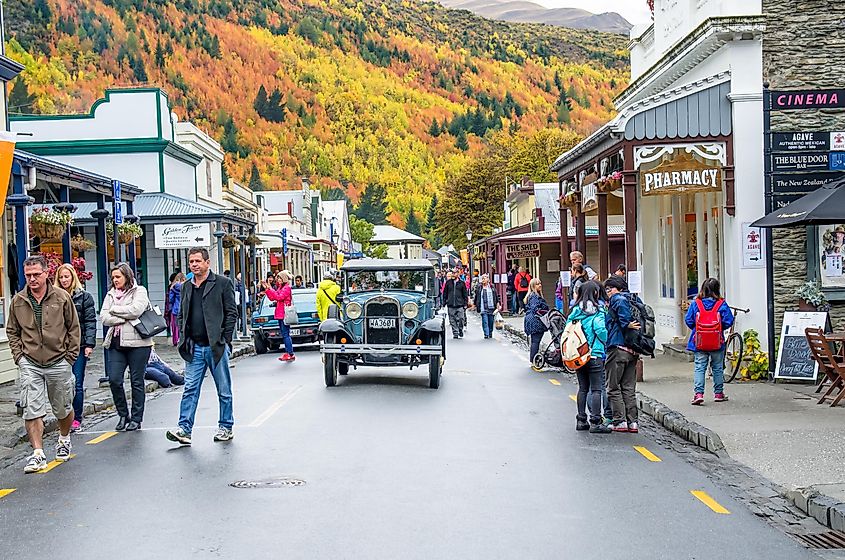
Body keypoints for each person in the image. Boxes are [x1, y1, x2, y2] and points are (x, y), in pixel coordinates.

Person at [8, 256, 80, 473]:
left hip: (58, 360)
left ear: (47, 273)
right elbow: (12, 331)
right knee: (32, 409)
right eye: (28, 275)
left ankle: (64, 438)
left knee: (63, 408)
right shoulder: (18, 301)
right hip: (30, 361)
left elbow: (74, 328)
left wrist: (70, 357)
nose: (32, 279)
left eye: (36, 274)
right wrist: (19, 358)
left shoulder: (61, 298)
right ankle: (38, 453)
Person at [166, 247, 238, 446]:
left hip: (215, 346)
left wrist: (225, 339)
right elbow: (182, 314)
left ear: (207, 263)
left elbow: (231, 313)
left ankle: (226, 426)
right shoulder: (187, 286)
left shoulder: (222, 283)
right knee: (190, 388)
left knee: (223, 389)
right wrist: (182, 336)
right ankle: (184, 429)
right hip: (194, 347)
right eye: (191, 262)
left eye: (198, 261)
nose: (194, 265)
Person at [101, 263, 154, 432]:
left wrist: (115, 310)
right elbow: (104, 316)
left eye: (118, 277)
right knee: (115, 379)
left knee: (136, 381)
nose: (115, 280)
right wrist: (121, 318)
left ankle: (136, 418)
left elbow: (136, 310)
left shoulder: (140, 291)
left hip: (138, 343)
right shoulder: (110, 294)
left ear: (127, 276)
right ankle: (123, 414)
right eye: (113, 277)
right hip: (116, 343)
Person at [54, 264, 96, 432]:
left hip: (78, 346)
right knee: (60, 385)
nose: (64, 280)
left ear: (73, 278)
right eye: (61, 277)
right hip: (59, 348)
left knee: (77, 383)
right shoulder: (54, 297)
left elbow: (90, 321)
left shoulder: (84, 297)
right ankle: (64, 418)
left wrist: (89, 344)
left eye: (67, 277)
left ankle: (76, 418)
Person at [567, 281, 612, 434]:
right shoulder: (598, 312)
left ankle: (581, 419)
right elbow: (600, 329)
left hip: (578, 355)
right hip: (594, 354)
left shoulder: (574, 311)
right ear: (595, 293)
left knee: (582, 388)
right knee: (596, 389)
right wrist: (606, 339)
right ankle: (595, 421)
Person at [685, 278, 735, 405]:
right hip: (717, 341)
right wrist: (718, 329)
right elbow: (729, 320)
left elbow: (689, 320)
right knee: (717, 368)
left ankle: (698, 394)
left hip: (699, 341)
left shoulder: (696, 304)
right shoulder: (721, 304)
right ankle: (718, 393)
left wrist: (698, 329)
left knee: (699, 367)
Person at [603, 276, 641, 433]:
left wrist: (626, 324)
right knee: (628, 387)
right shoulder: (634, 298)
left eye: (609, 289)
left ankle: (620, 421)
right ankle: (633, 422)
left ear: (617, 288)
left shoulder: (617, 299)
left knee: (612, 387)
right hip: (633, 349)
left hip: (618, 347)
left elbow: (623, 321)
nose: (608, 292)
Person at [265, 270, 296, 361]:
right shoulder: (281, 288)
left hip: (284, 314)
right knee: (284, 334)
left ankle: (290, 353)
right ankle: (288, 353)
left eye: (279, 278)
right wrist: (268, 289)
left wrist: (270, 289)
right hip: (280, 313)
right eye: (277, 278)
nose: (278, 280)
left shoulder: (286, 288)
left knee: (286, 334)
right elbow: (272, 298)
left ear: (284, 279)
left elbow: (279, 297)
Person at [523, 278, 549, 362]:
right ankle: (533, 359)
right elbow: (535, 309)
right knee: (536, 341)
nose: (540, 285)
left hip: (531, 319)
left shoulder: (532, 295)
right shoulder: (534, 296)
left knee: (535, 341)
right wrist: (545, 313)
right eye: (538, 284)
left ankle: (533, 358)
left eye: (540, 283)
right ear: (533, 286)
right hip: (535, 320)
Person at [472, 274, 500, 339]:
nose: (483, 280)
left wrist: (498, 303)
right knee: (485, 321)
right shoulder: (479, 287)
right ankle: (486, 334)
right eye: (483, 278)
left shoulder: (492, 287)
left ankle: (490, 333)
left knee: (491, 321)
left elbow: (495, 296)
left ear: (488, 280)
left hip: (491, 307)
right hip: (483, 307)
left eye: (485, 278)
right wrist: (474, 304)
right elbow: (477, 297)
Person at [442, 270, 469, 338]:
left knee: (461, 318)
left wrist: (465, 303)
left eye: (454, 273)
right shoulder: (448, 283)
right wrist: (444, 302)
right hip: (450, 304)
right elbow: (445, 293)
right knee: (452, 320)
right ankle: (455, 333)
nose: (453, 275)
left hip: (460, 304)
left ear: (458, 274)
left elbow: (465, 294)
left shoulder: (462, 283)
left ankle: (460, 329)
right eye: (452, 273)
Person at [168, 272, 186, 346]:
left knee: (175, 326)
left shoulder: (173, 288)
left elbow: (171, 299)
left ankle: (176, 340)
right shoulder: (186, 287)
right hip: (185, 308)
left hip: (175, 309)